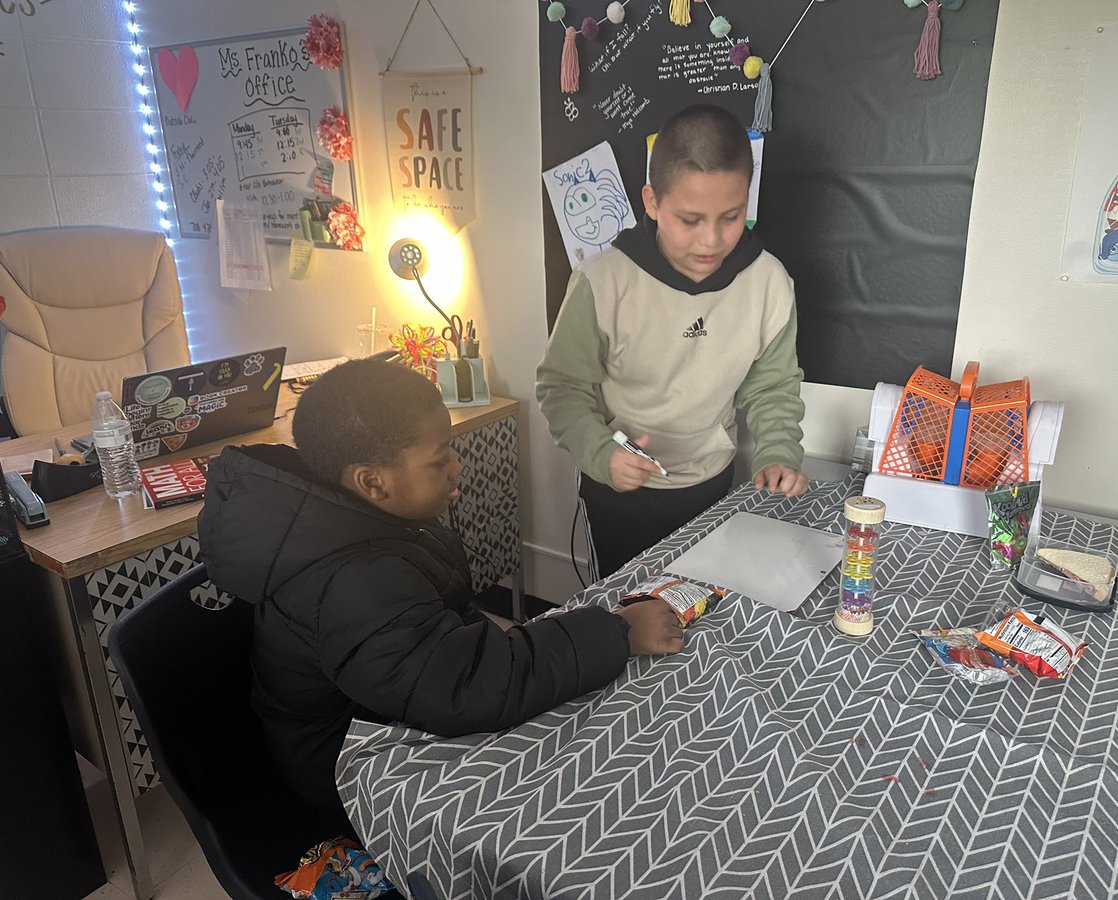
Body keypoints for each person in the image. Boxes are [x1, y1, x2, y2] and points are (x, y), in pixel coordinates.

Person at [198, 359, 683, 825]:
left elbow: (434, 637)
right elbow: (462, 688)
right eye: (439, 460)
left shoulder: (359, 520)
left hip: (397, 697)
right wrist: (617, 632)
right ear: (372, 481)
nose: (458, 468)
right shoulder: (351, 581)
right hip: (349, 770)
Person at [536, 104, 808, 578]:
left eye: (731, 216)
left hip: (710, 486)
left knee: (701, 617)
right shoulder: (603, 281)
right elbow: (561, 388)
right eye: (689, 219)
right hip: (621, 492)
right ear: (652, 201)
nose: (711, 240)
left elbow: (772, 386)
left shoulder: (769, 282)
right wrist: (602, 455)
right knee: (630, 621)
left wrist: (779, 451)